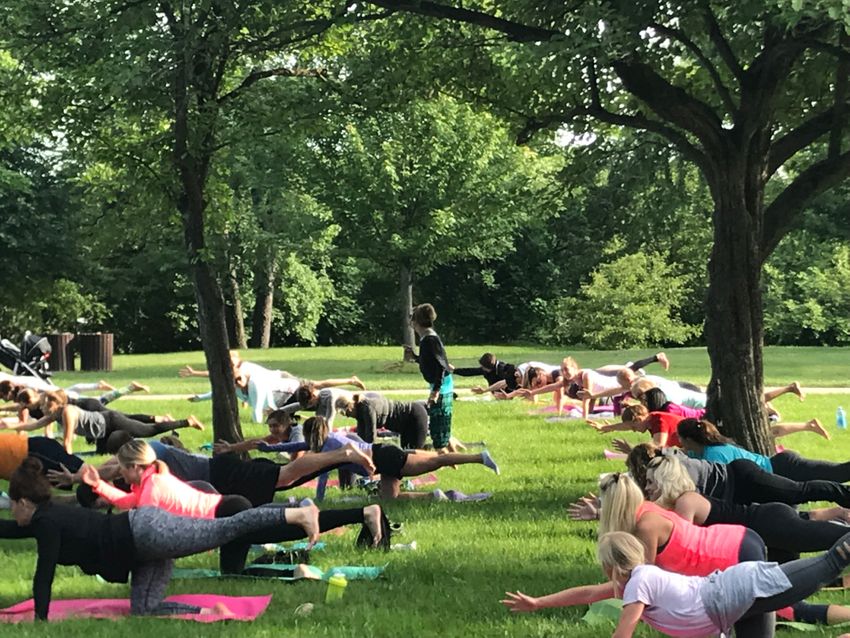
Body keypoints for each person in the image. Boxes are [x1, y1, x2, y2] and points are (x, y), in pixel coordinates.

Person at [1, 457, 325, 620]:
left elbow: (44, 575)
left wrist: (41, 621)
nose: (12, 513)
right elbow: (11, 529)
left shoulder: (46, 523)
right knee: (144, 609)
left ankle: (294, 513)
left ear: (23, 503)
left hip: (147, 533)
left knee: (226, 528)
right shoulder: (45, 517)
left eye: (12, 506)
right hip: (141, 549)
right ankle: (207, 615)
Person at [501, 530, 850, 638]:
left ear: (611, 565)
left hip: (740, 589)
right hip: (733, 611)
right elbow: (589, 593)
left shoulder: (641, 580)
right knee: (829, 565)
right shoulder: (635, 581)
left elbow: (623, 633)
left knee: (833, 561)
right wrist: (538, 603)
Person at [285, 416, 500, 500]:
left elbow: (349, 448)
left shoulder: (332, 445)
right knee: (390, 500)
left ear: (313, 434)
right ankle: (438, 496)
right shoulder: (326, 441)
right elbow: (298, 446)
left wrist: (319, 501)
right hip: (384, 459)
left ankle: (480, 457)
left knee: (438, 461)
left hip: (386, 458)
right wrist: (268, 448)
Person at [13, 391, 203, 453]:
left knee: (148, 430)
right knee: (103, 453)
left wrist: (67, 462)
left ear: (54, 405)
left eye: (44, 406)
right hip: (102, 432)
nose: (41, 410)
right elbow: (31, 426)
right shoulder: (55, 415)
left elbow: (67, 441)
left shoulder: (68, 413)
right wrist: (10, 427)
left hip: (110, 422)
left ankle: (187, 421)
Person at [677, 418, 850, 482]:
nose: (678, 441)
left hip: (783, 469)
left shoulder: (713, 456)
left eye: (680, 437)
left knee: (839, 473)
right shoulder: (705, 449)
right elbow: (684, 454)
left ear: (689, 440)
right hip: (778, 469)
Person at [403, 303, 454, 451]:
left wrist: (435, 391)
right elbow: (430, 362)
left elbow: (440, 367)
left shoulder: (430, 340)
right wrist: (414, 357)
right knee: (441, 431)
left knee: (438, 436)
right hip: (440, 385)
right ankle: (452, 461)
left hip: (441, 387)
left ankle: (443, 461)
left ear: (415, 322)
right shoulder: (427, 339)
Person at [451, 353, 518, 395]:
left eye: (483, 367)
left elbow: (506, 383)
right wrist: (454, 370)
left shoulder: (503, 369)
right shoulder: (487, 369)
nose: (482, 368)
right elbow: (471, 371)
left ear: (489, 367)